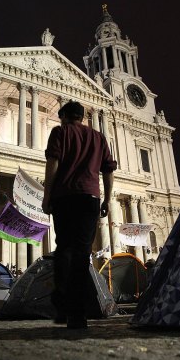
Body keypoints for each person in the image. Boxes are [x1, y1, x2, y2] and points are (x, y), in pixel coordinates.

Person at [42, 101, 116, 329]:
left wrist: (47, 196)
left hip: (65, 196)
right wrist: (107, 199)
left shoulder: (60, 131)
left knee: (64, 248)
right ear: (82, 117)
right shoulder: (99, 137)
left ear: (64, 116)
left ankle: (62, 304)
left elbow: (52, 164)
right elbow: (108, 170)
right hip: (90, 198)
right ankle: (77, 313)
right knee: (82, 255)